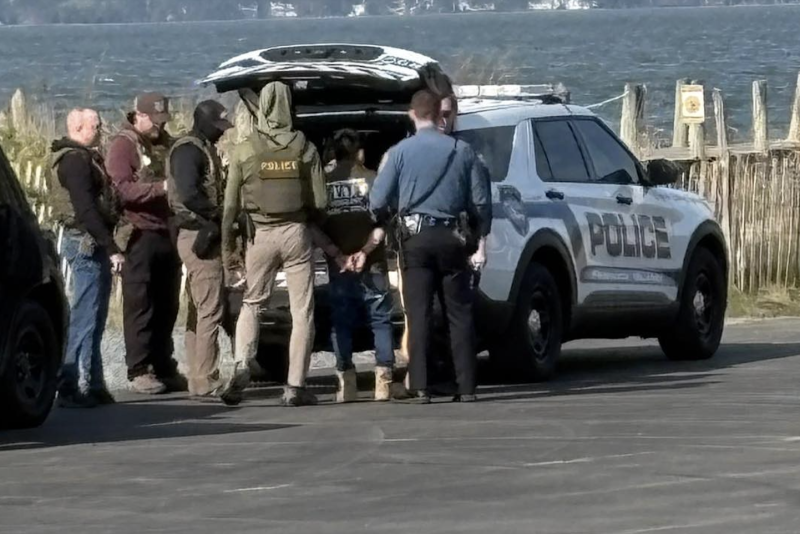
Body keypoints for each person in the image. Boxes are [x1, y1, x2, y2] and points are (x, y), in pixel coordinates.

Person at [370, 90, 492, 404]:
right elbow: (480, 201)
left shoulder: (400, 152)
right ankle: (466, 386)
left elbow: (377, 200)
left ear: (412, 114)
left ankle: (421, 385)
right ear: (441, 114)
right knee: (459, 313)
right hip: (452, 239)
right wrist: (478, 236)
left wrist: (388, 217)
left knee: (419, 312)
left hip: (416, 240)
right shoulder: (462, 151)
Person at [220, 82, 328, 407]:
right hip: (295, 232)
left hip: (259, 235)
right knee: (302, 312)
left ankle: (242, 362)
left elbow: (229, 208)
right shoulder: (304, 148)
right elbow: (321, 201)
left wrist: (229, 250)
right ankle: (295, 386)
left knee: (253, 302)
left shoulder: (245, 149)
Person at [105, 92, 185, 395]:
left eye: (163, 121)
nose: (159, 127)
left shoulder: (167, 142)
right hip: (139, 234)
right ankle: (138, 369)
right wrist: (160, 188)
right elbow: (121, 189)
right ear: (138, 115)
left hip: (168, 231)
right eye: (154, 120)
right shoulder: (124, 145)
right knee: (140, 304)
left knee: (167, 304)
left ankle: (164, 364)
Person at [321, 129, 405, 402]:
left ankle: (346, 384)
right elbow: (383, 223)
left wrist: (337, 255)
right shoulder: (372, 179)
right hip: (373, 263)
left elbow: (313, 226)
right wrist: (365, 252)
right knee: (380, 320)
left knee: (341, 323)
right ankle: (383, 383)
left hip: (340, 265)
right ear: (359, 151)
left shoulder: (323, 182)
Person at [51, 108, 122, 408]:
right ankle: (69, 382)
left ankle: (93, 383)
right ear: (79, 128)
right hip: (84, 241)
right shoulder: (74, 161)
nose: (101, 129)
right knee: (85, 315)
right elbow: (85, 209)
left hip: (88, 239)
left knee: (95, 314)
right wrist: (111, 246)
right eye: (96, 126)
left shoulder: (82, 157)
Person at [166, 100, 233, 398]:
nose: (222, 133)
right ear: (203, 122)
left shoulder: (198, 147)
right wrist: (220, 215)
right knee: (211, 309)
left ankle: (197, 376)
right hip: (196, 234)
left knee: (198, 309)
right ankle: (206, 377)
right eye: (218, 127)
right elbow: (190, 194)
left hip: (195, 233)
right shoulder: (189, 151)